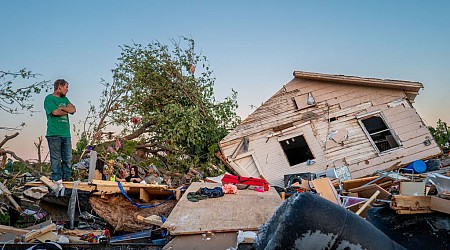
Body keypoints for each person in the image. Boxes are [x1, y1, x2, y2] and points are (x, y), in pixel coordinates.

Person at [44, 79, 76, 181]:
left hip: (66, 134)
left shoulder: (65, 99)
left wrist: (63, 109)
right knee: (56, 159)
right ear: (60, 87)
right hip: (54, 134)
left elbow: (73, 109)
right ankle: (57, 181)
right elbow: (55, 112)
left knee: (68, 159)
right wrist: (67, 110)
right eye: (66, 87)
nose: (67, 90)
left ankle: (66, 179)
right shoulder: (49, 98)